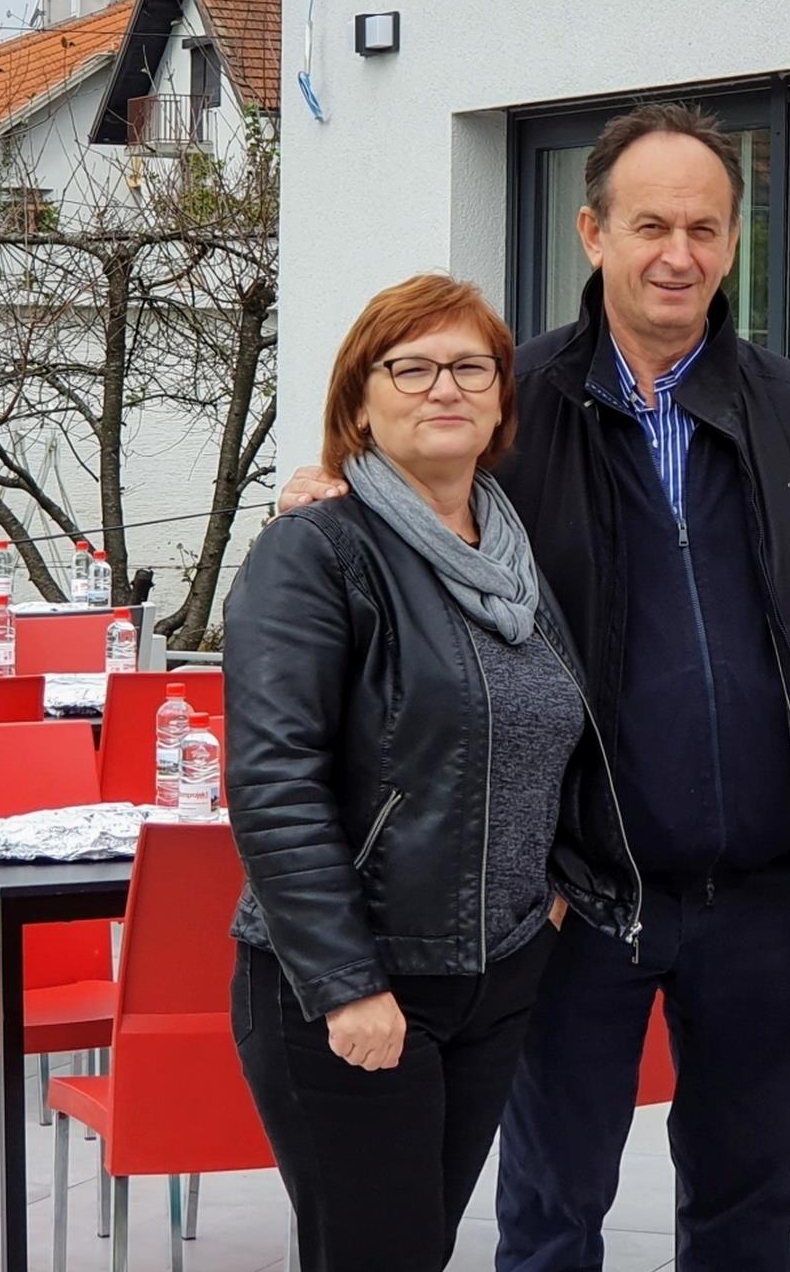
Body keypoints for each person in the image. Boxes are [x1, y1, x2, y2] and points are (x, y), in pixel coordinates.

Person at [277, 102, 790, 1272]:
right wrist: (332, 496)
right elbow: (410, 518)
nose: (678, 254)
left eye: (704, 228)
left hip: (772, 890)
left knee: (752, 1209)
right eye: (650, 225)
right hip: (573, 892)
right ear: (592, 232)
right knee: (553, 1213)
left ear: (735, 240)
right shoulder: (513, 403)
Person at [224, 274, 583, 1271]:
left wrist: (547, 906)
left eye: (471, 367)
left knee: (415, 1250)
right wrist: (346, 984)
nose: (445, 388)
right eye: (412, 368)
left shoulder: (511, 557)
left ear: (502, 400)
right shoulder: (316, 550)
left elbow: (553, 739)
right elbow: (274, 779)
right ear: (359, 402)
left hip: (492, 974)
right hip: (356, 985)